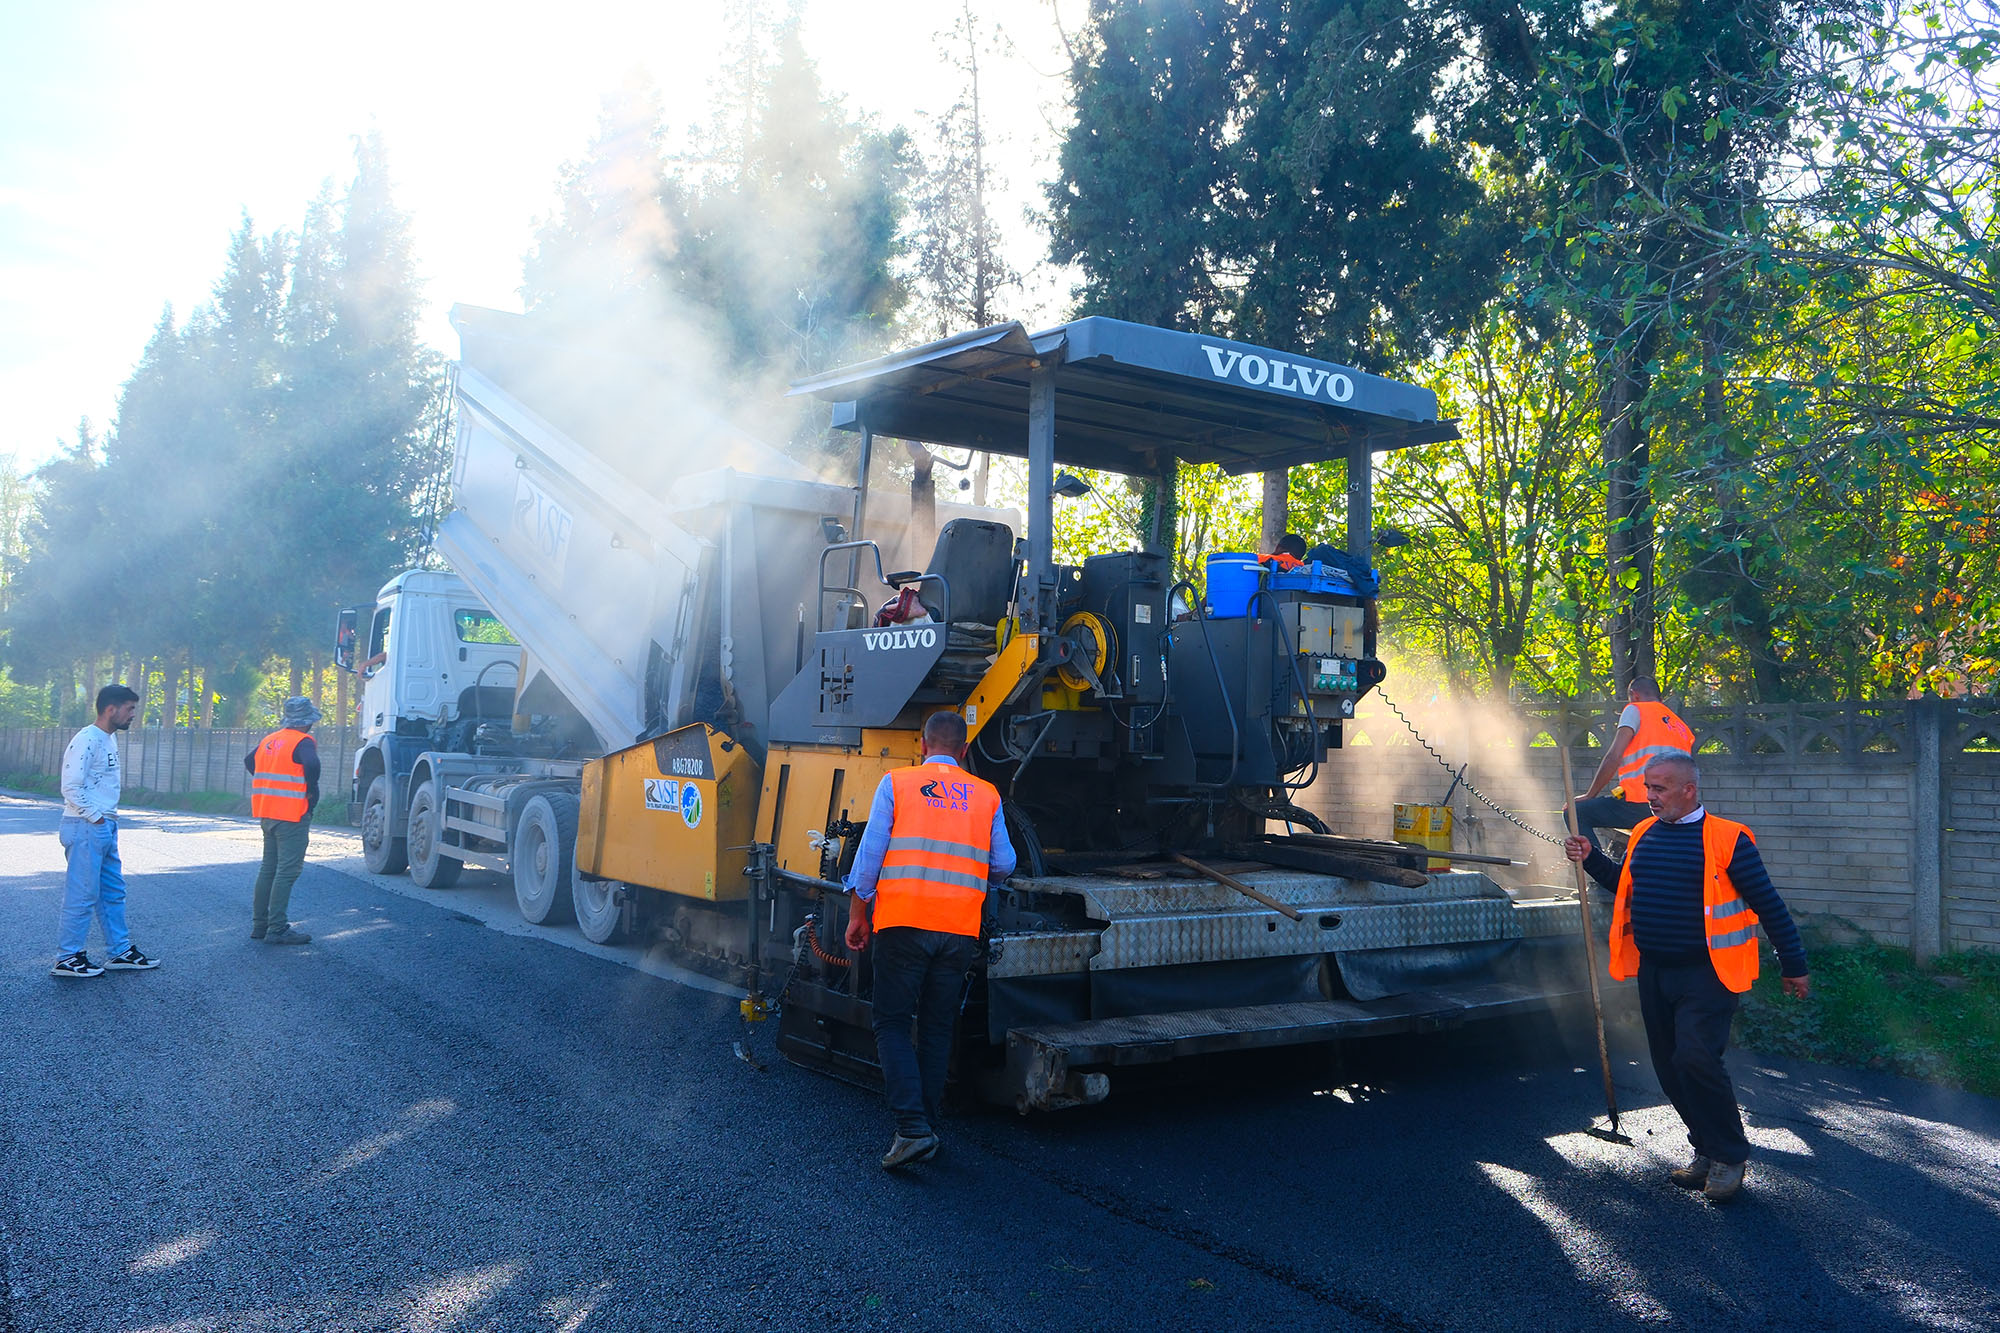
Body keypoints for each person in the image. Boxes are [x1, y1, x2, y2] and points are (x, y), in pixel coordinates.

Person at [1564, 752, 1810, 1203]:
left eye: (1657, 788)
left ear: (1688, 790)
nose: (1648, 796)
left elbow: (1769, 904)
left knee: (1697, 1057)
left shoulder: (1728, 840)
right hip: (1655, 970)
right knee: (1670, 1064)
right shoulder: (1642, 834)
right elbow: (1627, 885)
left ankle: (1730, 1156)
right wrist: (1591, 859)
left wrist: (1792, 964)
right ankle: (1706, 1149)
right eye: (1647, 787)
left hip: (1709, 972)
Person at [843, 710, 1016, 1170]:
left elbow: (870, 857)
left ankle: (912, 1130)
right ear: (963, 751)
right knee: (938, 1027)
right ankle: (927, 1126)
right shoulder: (987, 795)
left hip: (902, 924)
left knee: (893, 1023)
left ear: (922, 746)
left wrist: (858, 913)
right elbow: (1004, 864)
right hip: (958, 929)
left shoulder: (897, 784)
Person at [53, 684, 158, 978]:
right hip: (85, 825)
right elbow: (71, 786)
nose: (133, 715)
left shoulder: (107, 739)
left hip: (104, 824)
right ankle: (68, 957)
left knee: (113, 892)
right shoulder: (87, 739)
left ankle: (120, 951)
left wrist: (105, 822)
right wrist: (96, 819)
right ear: (111, 709)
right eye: (130, 709)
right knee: (82, 894)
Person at [1573, 676, 1695, 855]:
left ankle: (1599, 869)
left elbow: (1613, 757)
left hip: (1643, 805)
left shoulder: (1635, 709)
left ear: (1634, 695)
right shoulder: (1680, 726)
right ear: (1659, 699)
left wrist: (1590, 795)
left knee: (1576, 813)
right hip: (1677, 810)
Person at [244, 696, 322, 946]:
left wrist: (271, 783)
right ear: (307, 721)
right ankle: (277, 928)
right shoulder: (303, 741)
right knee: (287, 871)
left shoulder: (269, 740)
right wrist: (310, 790)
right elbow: (311, 763)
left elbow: (249, 761)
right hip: (292, 813)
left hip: (268, 811)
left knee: (268, 868)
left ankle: (260, 925)